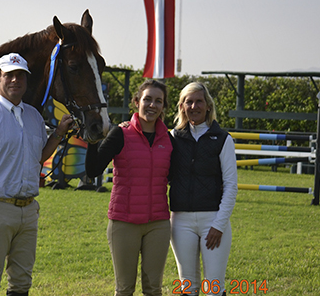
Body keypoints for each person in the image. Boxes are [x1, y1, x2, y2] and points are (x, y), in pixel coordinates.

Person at [0, 53, 75, 296]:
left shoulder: (33, 116)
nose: (15, 80)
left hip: (28, 210)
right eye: (9, 75)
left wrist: (59, 133)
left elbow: (38, 157)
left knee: (21, 283)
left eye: (21, 75)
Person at [85, 79, 173, 296]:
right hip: (124, 223)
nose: (152, 105)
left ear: (164, 107)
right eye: (147, 99)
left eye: (158, 101)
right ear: (136, 102)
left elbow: (179, 176)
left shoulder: (170, 139)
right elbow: (94, 169)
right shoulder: (120, 133)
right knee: (124, 289)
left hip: (158, 224)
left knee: (154, 288)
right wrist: (92, 140)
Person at [169, 82, 237, 296]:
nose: (194, 106)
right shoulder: (173, 137)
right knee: (187, 287)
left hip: (214, 221)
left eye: (199, 101)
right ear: (182, 106)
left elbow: (231, 186)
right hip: (180, 222)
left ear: (208, 106)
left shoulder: (223, 139)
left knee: (214, 288)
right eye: (189, 101)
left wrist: (219, 225)